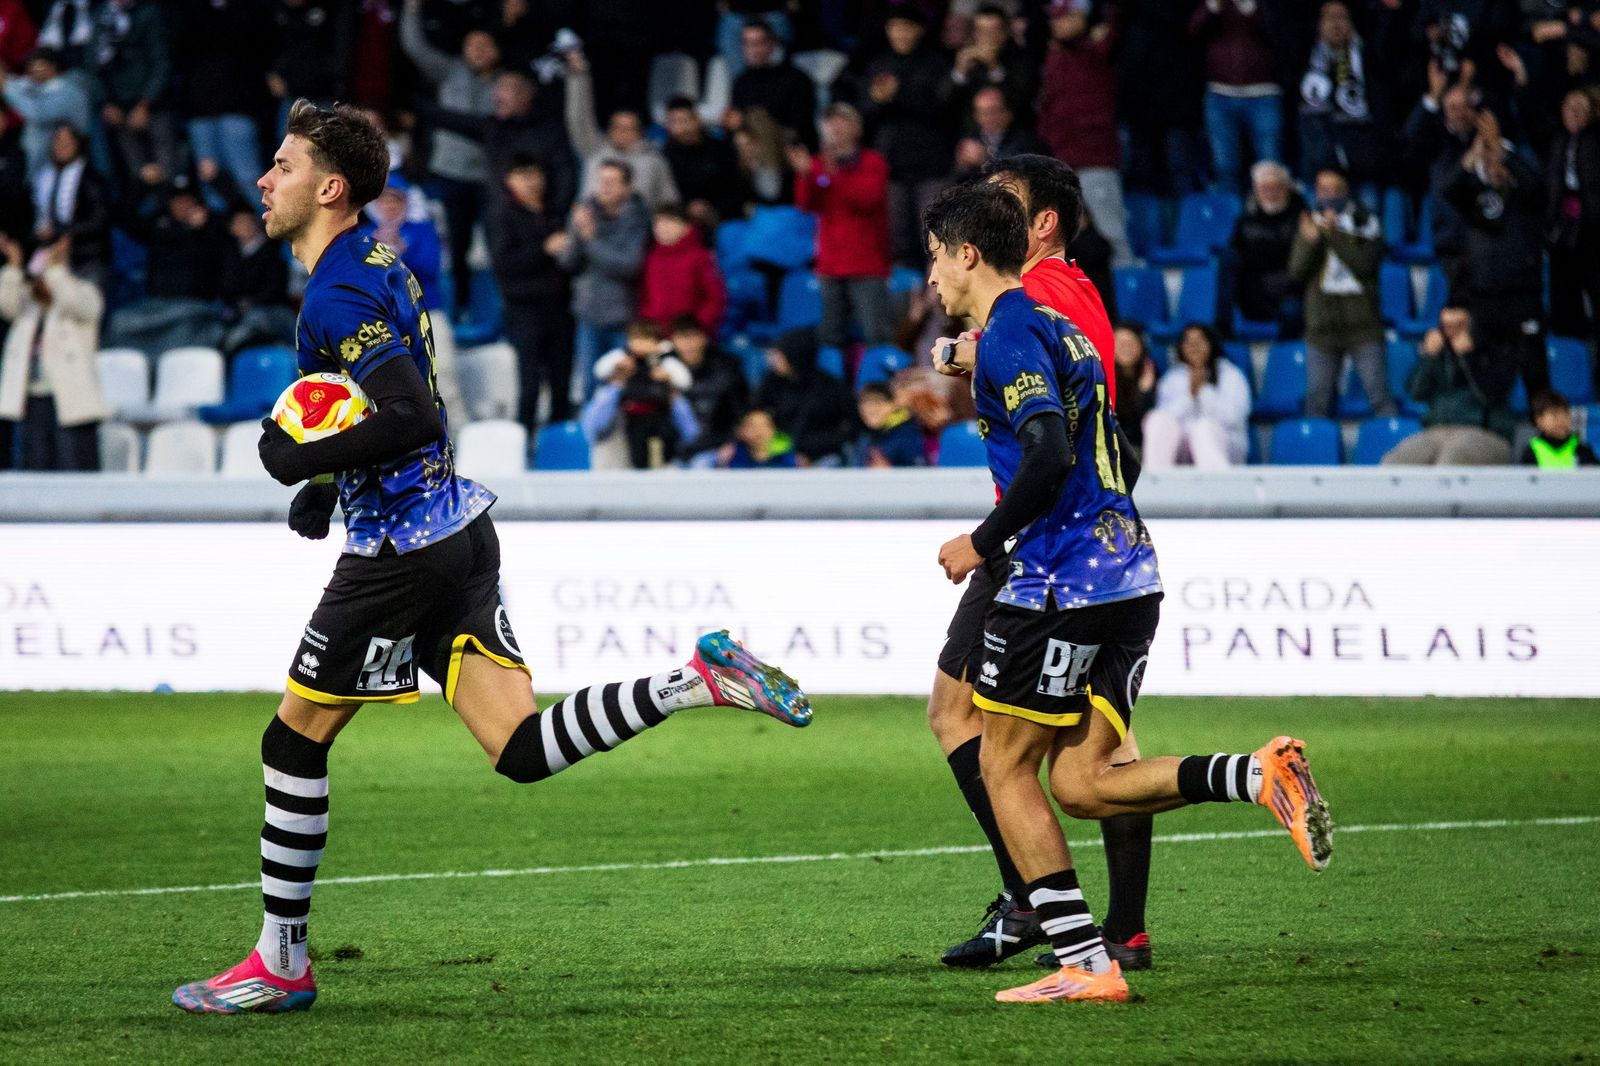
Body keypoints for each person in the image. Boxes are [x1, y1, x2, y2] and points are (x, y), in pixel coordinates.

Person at [172, 100, 813, 1016]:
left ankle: (279, 963)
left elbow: (411, 413)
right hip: (459, 534)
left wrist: (293, 463)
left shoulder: (338, 288)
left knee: (292, 737)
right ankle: (693, 682)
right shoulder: (375, 263)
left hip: (400, 552)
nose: (263, 179)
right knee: (518, 747)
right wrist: (324, 488)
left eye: (281, 164)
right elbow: (364, 401)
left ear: (330, 187)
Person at [923, 181, 1330, 1006]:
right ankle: (1258, 775)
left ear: (969, 254)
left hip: (1055, 585)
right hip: (1130, 576)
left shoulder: (1009, 335)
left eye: (935, 257)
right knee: (1083, 784)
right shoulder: (1064, 329)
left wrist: (983, 542)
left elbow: (1045, 452)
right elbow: (1104, 442)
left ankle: (1086, 960)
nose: (930, 277)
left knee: (1004, 766)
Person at [927, 155, 1154, 974]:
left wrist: (958, 355)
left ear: (1042, 222)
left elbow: (1053, 420)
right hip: (1090, 535)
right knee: (1097, 748)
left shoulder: (1037, 296)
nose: (988, 212)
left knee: (976, 726)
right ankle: (1122, 926)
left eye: (1005, 201)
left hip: (1043, 540)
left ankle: (1037, 903)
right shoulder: (1077, 293)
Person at [400, 0, 500, 320]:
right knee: (453, 250)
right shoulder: (449, 70)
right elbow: (414, 46)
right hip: (449, 174)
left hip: (487, 177)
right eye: (473, 45)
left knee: (492, 249)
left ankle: (489, 313)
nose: (479, 51)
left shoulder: (505, 85)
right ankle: (453, 310)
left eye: (485, 45)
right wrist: (413, 10)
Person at [1445, 109, 1550, 397]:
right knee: (1486, 374)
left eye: (1498, 159)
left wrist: (1500, 146)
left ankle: (1540, 431)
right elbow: (1450, 189)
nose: (1493, 165)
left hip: (1522, 298)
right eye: (1487, 161)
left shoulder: (1526, 198)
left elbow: (1534, 183)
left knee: (1534, 371)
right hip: (1484, 300)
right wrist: (1475, 151)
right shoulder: (1476, 199)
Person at [851, 6, 956, 268]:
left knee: (935, 240)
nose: (900, 34)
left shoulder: (936, 64)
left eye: (906, 28)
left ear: (919, 30)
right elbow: (862, 114)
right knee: (896, 242)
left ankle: (935, 304)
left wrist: (897, 97)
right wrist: (876, 101)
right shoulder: (878, 65)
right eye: (895, 28)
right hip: (891, 167)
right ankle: (903, 303)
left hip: (931, 166)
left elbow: (943, 108)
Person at [1288, 167, 1394, 420]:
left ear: (1347, 191)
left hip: (1364, 325)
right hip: (1321, 327)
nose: (1330, 195)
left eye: (1336, 189)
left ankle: (1396, 453)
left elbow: (1365, 265)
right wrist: (1309, 243)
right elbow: (1296, 272)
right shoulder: (1308, 222)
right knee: (1316, 401)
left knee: (1379, 397)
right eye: (1324, 190)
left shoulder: (1365, 221)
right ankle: (1316, 456)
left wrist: (1332, 235)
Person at [1035, 0, 1134, 266]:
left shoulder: (1098, 50)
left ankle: (1128, 298)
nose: (1057, 23)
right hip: (1059, 162)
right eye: (1055, 19)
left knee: (1110, 231)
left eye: (1065, 18)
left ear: (1081, 17)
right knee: (1058, 240)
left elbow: (1118, 23)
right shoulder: (1054, 57)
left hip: (1094, 158)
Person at [788, 103, 893, 351]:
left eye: (841, 124)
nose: (835, 131)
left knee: (875, 333)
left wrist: (833, 174)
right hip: (831, 264)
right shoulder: (818, 165)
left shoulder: (872, 162)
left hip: (867, 263)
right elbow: (806, 204)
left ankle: (878, 385)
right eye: (830, 125)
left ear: (856, 129)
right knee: (831, 336)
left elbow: (867, 199)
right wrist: (805, 175)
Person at [0, 232, 105, 471]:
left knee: (74, 470)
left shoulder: (85, 294)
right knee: (35, 470)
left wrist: (56, 270)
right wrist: (13, 267)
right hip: (32, 398)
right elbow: (7, 306)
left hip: (69, 401)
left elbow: (71, 300)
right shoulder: (29, 308)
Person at [489, 155, 573, 441]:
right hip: (524, 310)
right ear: (510, 180)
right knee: (530, 381)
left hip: (560, 308)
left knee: (562, 378)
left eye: (536, 175)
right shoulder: (503, 216)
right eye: (524, 176)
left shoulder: (552, 212)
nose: (533, 182)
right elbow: (504, 265)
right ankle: (523, 444)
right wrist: (543, 248)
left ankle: (560, 444)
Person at [552, 159, 650, 402]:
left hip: (623, 317)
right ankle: (590, 437)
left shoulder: (637, 219)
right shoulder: (584, 213)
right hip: (588, 314)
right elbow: (568, 263)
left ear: (627, 188)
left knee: (624, 385)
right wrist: (572, 238)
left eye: (612, 182)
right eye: (601, 180)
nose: (604, 187)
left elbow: (629, 265)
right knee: (589, 385)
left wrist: (589, 239)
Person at [1383, 305, 1517, 465]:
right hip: (1437, 431)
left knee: (1450, 461)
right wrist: (1428, 357)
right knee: (1396, 462)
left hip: (1486, 432)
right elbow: (1415, 394)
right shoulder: (1439, 354)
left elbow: (1490, 396)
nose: (1453, 333)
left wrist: (1468, 357)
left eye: (1460, 326)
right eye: (1447, 327)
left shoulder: (1496, 351)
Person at [563, 48, 680, 211]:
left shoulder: (654, 161)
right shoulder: (594, 150)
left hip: (637, 231)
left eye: (628, 128)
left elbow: (669, 202)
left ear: (640, 133)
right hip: (593, 229)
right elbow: (578, 118)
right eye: (617, 127)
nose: (622, 133)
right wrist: (578, 77)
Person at [1188, 0, 1284, 194]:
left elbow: (1280, 34)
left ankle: (1272, 220)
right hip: (1220, 94)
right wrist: (1213, 7)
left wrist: (1249, 7)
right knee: (1225, 167)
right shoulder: (1216, 6)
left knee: (1270, 166)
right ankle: (1230, 220)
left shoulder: (1265, 5)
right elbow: (1193, 31)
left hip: (1263, 93)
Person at [581, 319, 699, 470]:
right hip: (618, 464)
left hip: (660, 449)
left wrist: (668, 384)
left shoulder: (665, 372)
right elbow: (594, 428)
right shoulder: (615, 381)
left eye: (648, 340)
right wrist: (618, 383)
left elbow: (692, 433)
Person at [1297, 1, 1386, 195]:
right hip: (1316, 162)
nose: (1336, 24)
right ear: (1319, 24)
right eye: (1329, 17)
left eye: (1342, 17)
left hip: (1363, 162)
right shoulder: (1302, 54)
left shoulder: (1368, 57)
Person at [1142, 322, 1252, 467]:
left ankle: (1216, 485)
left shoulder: (1230, 374)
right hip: (1181, 449)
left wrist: (1204, 391)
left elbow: (1233, 417)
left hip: (1225, 445)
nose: (1194, 346)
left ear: (1211, 344)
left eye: (1200, 341)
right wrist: (1190, 395)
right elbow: (1166, 417)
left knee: (1203, 428)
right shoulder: (1173, 377)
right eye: (1188, 342)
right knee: (1157, 419)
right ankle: (1156, 479)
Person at [92, 0, 177, 186]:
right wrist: (106, 103)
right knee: (136, 173)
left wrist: (146, 103)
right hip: (118, 106)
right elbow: (93, 63)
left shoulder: (149, 12)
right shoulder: (101, 15)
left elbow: (161, 62)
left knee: (167, 170)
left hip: (153, 104)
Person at [753, 326, 859, 466]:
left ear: (794, 355)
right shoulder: (771, 382)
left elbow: (851, 428)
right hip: (781, 452)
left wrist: (809, 448)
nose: (774, 360)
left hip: (823, 455)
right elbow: (754, 413)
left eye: (779, 354)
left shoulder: (830, 387)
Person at [1226, 160, 1306, 336]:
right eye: (1265, 188)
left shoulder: (1302, 218)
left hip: (1293, 293)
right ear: (1256, 191)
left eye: (1276, 187)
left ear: (1287, 189)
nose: (1271, 194)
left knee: (1292, 311)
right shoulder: (1245, 221)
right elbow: (1244, 261)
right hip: (1257, 294)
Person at [1545, 90, 1600, 344]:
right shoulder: (1557, 141)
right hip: (1563, 226)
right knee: (1563, 292)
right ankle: (1567, 351)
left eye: (1581, 108)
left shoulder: (1594, 141)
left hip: (1591, 227)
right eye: (1569, 107)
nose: (1574, 113)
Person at [670, 314, 749, 465]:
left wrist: (730, 441)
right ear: (673, 341)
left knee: (701, 465)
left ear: (703, 338)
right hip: (675, 448)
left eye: (692, 337)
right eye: (682, 338)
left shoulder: (727, 369)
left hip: (714, 446)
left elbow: (740, 411)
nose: (688, 345)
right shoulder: (663, 368)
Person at [730, 19, 817, 151]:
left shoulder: (796, 79)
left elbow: (800, 126)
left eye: (758, 43)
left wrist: (756, 118)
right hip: (752, 148)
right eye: (747, 43)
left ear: (772, 44)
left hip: (789, 148)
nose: (753, 49)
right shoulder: (741, 82)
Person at [638, 205, 726, 336]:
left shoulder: (700, 257)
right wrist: (649, 323)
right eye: (658, 223)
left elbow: (715, 297)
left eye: (669, 221)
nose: (662, 227)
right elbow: (644, 295)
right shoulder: (651, 257)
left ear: (686, 226)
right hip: (657, 336)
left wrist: (695, 327)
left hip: (691, 338)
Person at [661, 96, 743, 228]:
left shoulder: (721, 149)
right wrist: (687, 208)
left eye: (686, 121)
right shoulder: (664, 156)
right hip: (681, 221)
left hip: (723, 219)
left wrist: (713, 211)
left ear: (697, 120)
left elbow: (735, 190)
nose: (682, 128)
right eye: (675, 123)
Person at [954, 87, 1049, 177]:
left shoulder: (1026, 141)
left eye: (992, 111)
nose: (987, 118)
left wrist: (987, 158)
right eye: (982, 112)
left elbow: (1021, 171)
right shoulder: (972, 140)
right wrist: (961, 166)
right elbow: (957, 180)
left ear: (1008, 113)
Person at [1518, 389, 1599, 467]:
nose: (1561, 420)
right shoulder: (1531, 453)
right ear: (1539, 420)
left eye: (1565, 414)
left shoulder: (1582, 451)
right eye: (1555, 415)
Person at [1111, 320, 1159, 450]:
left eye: (1130, 343)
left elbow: (1148, 423)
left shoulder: (1152, 373)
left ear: (1141, 346)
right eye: (1120, 344)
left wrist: (1144, 392)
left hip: (1143, 447)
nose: (1125, 348)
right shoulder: (1102, 376)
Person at [853, 381, 926, 467]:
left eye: (878, 402)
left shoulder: (907, 435)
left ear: (894, 404)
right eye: (865, 403)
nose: (871, 409)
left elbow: (920, 472)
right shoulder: (865, 437)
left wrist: (889, 473)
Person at [720, 406, 797, 468]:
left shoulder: (789, 458)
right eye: (752, 426)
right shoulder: (728, 457)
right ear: (740, 430)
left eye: (764, 425)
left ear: (773, 429)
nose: (759, 431)